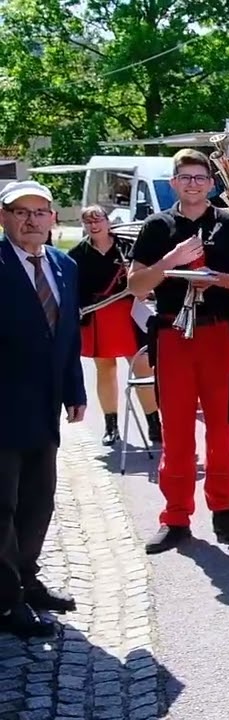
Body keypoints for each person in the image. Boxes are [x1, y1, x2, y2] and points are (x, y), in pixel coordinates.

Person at [128, 149, 229, 555]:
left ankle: (225, 510)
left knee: (221, 428)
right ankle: (175, 516)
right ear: (173, 183)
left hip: (217, 332)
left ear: (211, 183)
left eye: (199, 177)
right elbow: (136, 285)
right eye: (185, 177)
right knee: (177, 429)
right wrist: (172, 261)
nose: (192, 184)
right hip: (173, 334)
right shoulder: (157, 226)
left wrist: (218, 279)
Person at [0, 180, 86, 638]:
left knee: (38, 500)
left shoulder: (64, 265)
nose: (31, 221)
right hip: (3, 406)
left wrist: (75, 389)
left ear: (53, 218)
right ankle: (6, 599)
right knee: (2, 506)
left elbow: (68, 335)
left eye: (39, 212)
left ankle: (27, 580)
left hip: (44, 406)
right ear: (4, 218)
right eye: (20, 212)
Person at [69, 205, 159, 446]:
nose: (93, 225)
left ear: (108, 221)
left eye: (98, 219)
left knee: (143, 369)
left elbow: (148, 272)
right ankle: (111, 427)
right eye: (88, 221)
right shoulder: (77, 254)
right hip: (97, 316)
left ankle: (154, 424)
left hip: (130, 314)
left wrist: (147, 290)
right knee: (105, 370)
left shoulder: (127, 247)